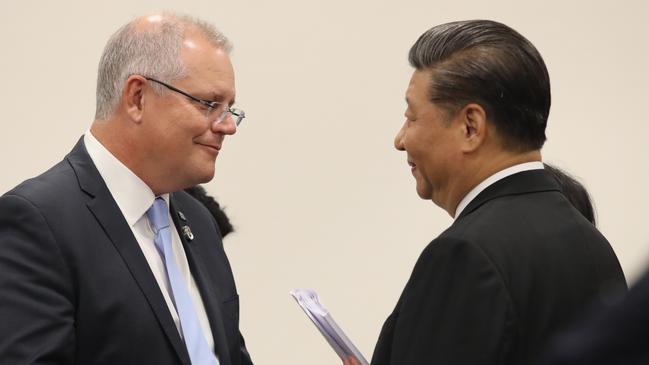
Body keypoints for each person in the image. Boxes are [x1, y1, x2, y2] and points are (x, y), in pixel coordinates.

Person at [345, 20, 625, 365]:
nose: (400, 140)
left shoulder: (463, 255)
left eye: (411, 117)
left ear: (470, 127)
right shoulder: (592, 244)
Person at [0, 13, 252, 365]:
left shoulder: (199, 222)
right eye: (209, 104)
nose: (228, 126)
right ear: (137, 97)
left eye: (230, 109)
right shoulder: (37, 223)